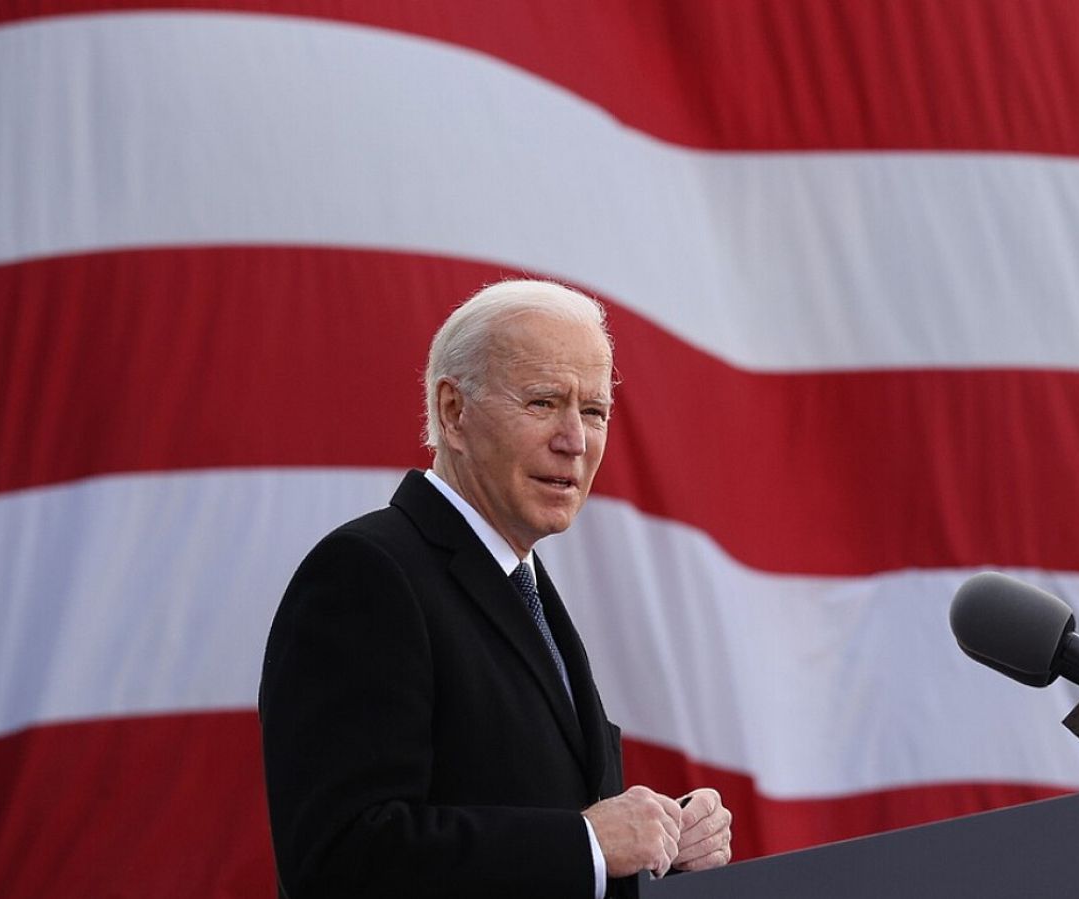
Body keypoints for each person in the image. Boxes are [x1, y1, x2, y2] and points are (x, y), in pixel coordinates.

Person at [260, 279, 732, 898]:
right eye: (543, 403)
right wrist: (588, 845)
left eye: (594, 412)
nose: (576, 441)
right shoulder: (366, 575)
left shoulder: (523, 587)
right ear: (454, 412)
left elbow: (536, 808)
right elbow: (342, 859)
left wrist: (660, 845)